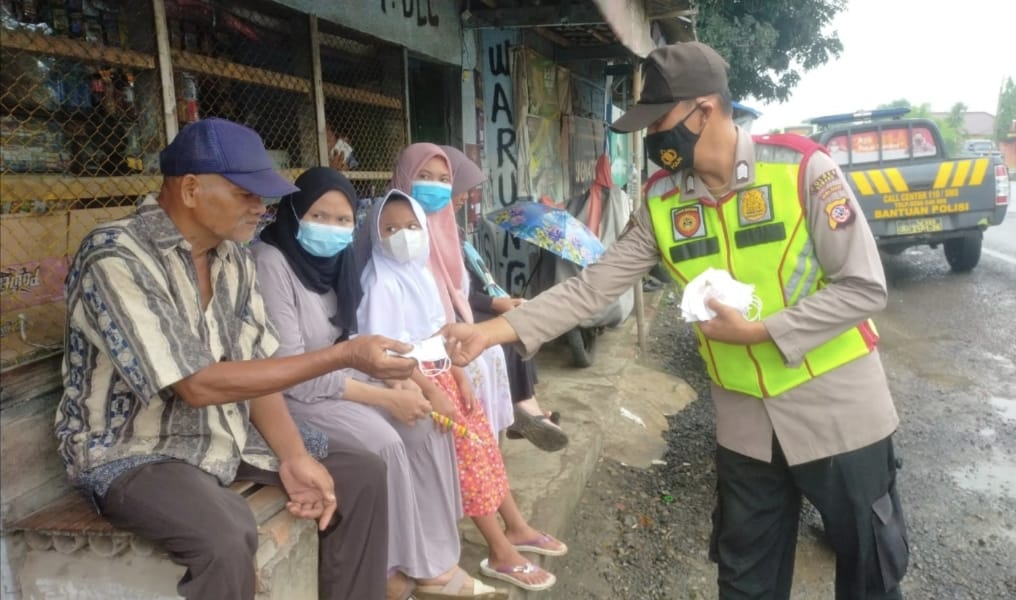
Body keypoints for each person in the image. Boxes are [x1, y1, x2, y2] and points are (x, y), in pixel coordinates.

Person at [442, 42, 909, 600]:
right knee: (745, 581)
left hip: (840, 409)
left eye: (659, 122)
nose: (653, 139)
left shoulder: (803, 169)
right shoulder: (662, 200)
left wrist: (760, 332)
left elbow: (863, 286)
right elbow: (594, 285)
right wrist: (490, 332)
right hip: (747, 425)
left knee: (870, 574)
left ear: (704, 110)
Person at [54, 117, 419, 600]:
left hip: (222, 433)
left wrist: (293, 457)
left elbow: (256, 372)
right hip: (130, 451)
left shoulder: (234, 258)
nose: (260, 207)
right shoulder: (115, 256)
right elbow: (196, 385)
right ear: (189, 189)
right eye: (246, 193)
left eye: (262, 195)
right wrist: (344, 355)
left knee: (361, 471)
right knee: (226, 534)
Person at [253, 166, 502, 600]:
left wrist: (405, 386)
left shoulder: (335, 263)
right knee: (383, 440)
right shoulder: (271, 262)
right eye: (319, 216)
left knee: (424, 425)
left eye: (342, 220)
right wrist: (384, 398)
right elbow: (293, 371)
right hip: (291, 396)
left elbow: (350, 346)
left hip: (334, 381)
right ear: (291, 213)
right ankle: (390, 567)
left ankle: (431, 561)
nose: (331, 229)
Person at [357, 188, 565, 593]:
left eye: (412, 226)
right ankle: (500, 548)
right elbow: (386, 353)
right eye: (391, 228)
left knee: (485, 442)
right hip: (411, 383)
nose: (404, 235)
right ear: (376, 235)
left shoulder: (419, 274)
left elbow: (439, 334)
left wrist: (459, 375)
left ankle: (517, 526)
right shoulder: (379, 282)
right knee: (468, 458)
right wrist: (434, 390)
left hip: (441, 376)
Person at [439, 144, 568, 452]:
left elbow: (463, 287)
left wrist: (498, 302)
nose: (465, 197)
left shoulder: (451, 229)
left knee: (515, 322)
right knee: (505, 331)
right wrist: (495, 305)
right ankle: (524, 410)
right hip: (442, 318)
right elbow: (446, 293)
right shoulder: (422, 230)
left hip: (461, 308)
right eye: (458, 188)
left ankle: (525, 407)